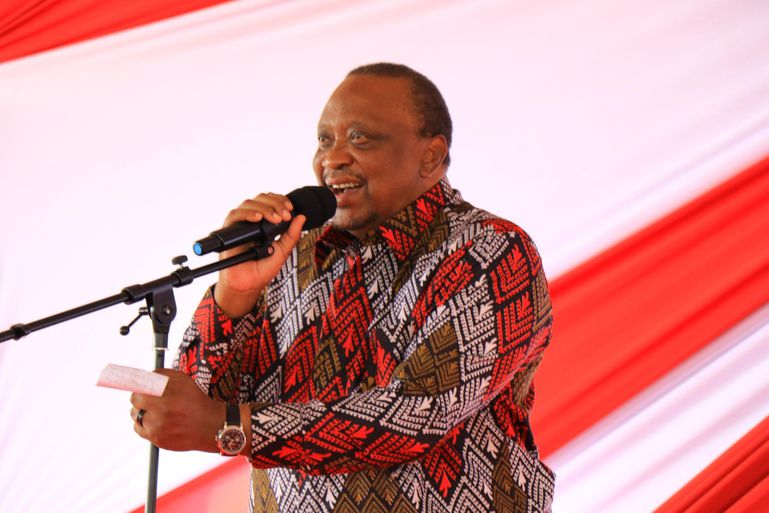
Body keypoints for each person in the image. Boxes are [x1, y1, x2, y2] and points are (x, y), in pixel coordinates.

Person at [130, 62, 555, 513]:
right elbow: (197, 401)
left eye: (361, 138)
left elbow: (416, 415)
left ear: (430, 155)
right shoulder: (290, 253)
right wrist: (233, 294)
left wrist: (230, 425)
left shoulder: (488, 251)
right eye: (324, 140)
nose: (332, 158)